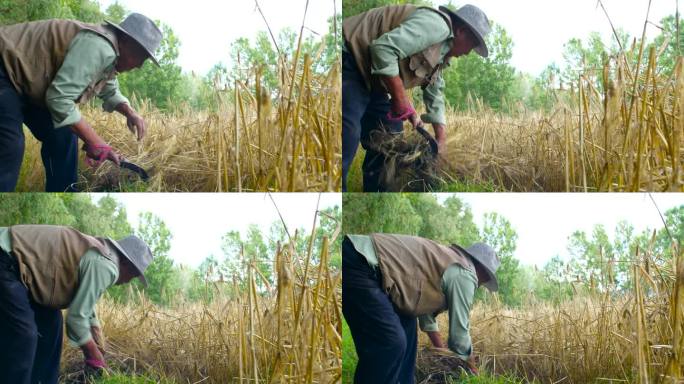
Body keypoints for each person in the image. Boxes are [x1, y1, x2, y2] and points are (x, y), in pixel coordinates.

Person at [0, 13, 163, 192]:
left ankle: (64, 191)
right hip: (4, 69)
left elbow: (109, 87)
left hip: (25, 82)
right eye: (140, 57)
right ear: (125, 40)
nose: (139, 65)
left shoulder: (111, 53)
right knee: (9, 146)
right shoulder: (99, 47)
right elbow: (59, 99)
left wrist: (130, 112)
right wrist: (97, 143)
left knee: (64, 136)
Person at [341, 4, 491, 191]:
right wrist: (400, 97)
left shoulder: (444, 52)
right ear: (461, 31)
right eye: (472, 44)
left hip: (374, 79)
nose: (469, 52)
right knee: (346, 136)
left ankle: (377, 197)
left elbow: (435, 90)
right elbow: (382, 49)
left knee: (390, 140)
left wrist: (440, 138)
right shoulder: (437, 26)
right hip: (350, 59)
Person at [0, 224, 154, 384]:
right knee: (23, 335)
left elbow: (85, 301)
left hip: (21, 271)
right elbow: (75, 319)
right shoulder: (107, 266)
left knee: (52, 325)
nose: (130, 280)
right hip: (6, 257)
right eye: (134, 275)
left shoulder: (103, 254)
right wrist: (93, 355)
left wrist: (95, 331)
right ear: (126, 263)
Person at [342, 233, 500, 383]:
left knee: (408, 333)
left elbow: (423, 311)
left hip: (368, 266)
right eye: (486, 277)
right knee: (391, 343)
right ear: (482, 270)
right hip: (361, 262)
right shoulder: (465, 273)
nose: (482, 283)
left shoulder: (448, 261)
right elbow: (459, 336)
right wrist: (472, 368)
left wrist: (440, 349)